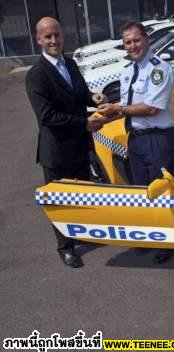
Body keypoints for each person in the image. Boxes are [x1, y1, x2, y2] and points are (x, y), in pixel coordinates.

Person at [26, 17, 107, 268]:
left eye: (57, 35)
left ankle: (82, 233)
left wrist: (94, 97)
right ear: (38, 39)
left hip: (80, 147)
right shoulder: (36, 75)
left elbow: (80, 93)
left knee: (82, 194)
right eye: (47, 36)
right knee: (61, 201)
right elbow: (47, 116)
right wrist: (85, 123)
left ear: (62, 36)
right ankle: (66, 248)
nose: (53, 40)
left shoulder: (69, 63)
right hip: (57, 151)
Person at [97, 21, 174, 263]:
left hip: (157, 139)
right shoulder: (127, 71)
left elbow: (152, 109)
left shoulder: (159, 69)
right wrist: (107, 106)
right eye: (128, 42)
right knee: (140, 192)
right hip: (136, 140)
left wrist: (118, 109)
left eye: (136, 40)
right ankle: (148, 237)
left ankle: (167, 242)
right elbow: (127, 105)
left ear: (146, 40)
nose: (133, 46)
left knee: (160, 195)